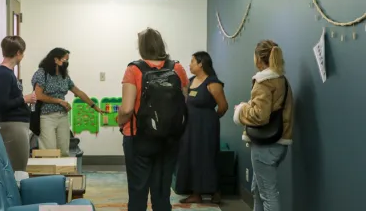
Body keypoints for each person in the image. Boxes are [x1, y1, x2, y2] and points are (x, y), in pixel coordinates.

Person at [117, 27, 189, 211]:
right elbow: (183, 102)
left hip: (138, 137)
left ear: (141, 47)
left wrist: (119, 120)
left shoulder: (133, 70)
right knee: (162, 192)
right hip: (169, 138)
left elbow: (126, 109)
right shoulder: (177, 68)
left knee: (138, 190)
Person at [233, 40, 293, 211]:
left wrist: (241, 110)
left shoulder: (264, 81)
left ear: (259, 58)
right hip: (278, 143)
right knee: (258, 190)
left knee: (268, 194)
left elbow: (259, 115)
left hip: (265, 147)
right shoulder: (281, 80)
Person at [175, 51, 228, 204]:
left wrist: (211, 119)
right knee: (191, 156)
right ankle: (195, 192)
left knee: (207, 156)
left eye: (192, 61)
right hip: (190, 126)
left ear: (201, 64)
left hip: (207, 127)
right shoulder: (191, 82)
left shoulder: (213, 83)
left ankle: (215, 190)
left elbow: (223, 106)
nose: (190, 64)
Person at [31, 48, 104, 157]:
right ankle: (50, 174)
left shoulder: (63, 75)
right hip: (46, 117)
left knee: (64, 150)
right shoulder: (42, 73)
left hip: (63, 116)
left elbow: (78, 92)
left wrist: (94, 106)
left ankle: (62, 173)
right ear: (56, 59)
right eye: (65, 59)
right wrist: (59, 101)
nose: (66, 62)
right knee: (49, 151)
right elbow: (38, 95)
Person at [0, 36, 36, 171]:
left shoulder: (8, 73)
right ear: (18, 52)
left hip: (17, 125)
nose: (23, 56)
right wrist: (24, 99)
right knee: (17, 168)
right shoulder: (3, 74)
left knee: (19, 165)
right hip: (13, 127)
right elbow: (1, 104)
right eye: (22, 52)